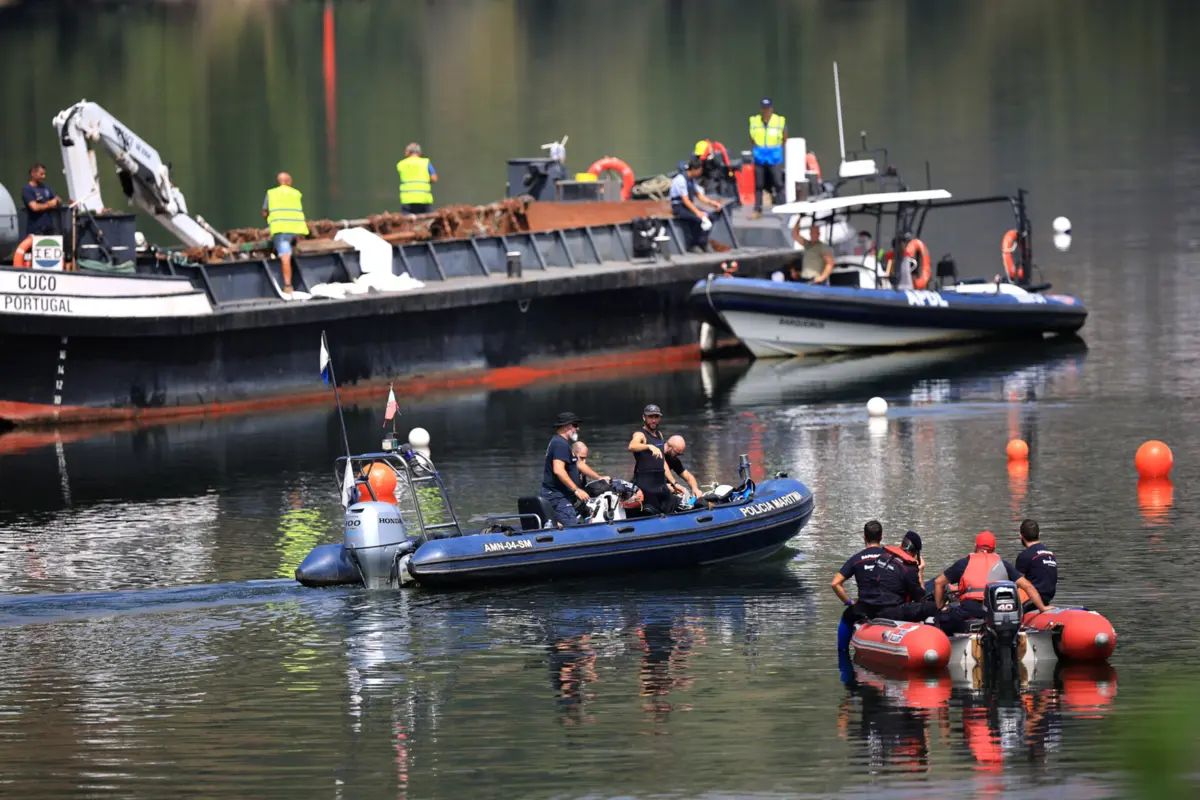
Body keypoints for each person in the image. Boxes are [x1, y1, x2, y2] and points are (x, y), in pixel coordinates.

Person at [832, 521, 931, 650]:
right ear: (881, 537)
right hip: (893, 607)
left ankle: (842, 652)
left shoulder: (856, 558)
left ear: (864, 537)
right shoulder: (891, 557)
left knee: (847, 616)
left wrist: (850, 602)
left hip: (866, 607)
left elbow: (835, 583)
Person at [933, 531, 1048, 635]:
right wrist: (1042, 608)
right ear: (994, 547)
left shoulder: (964, 563)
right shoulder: (1003, 564)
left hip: (971, 609)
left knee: (942, 617)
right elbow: (1028, 586)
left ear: (975, 546)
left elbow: (938, 582)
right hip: (997, 610)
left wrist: (940, 607)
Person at [627, 404, 681, 515]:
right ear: (644, 418)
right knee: (650, 512)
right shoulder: (640, 434)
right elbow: (632, 446)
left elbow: (662, 462)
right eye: (650, 417)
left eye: (656, 417)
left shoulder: (659, 435)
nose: (653, 420)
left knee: (674, 505)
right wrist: (648, 446)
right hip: (646, 484)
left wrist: (674, 483)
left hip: (660, 484)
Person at [262, 172, 309, 295]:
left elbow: (265, 212)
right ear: (289, 181)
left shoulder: (271, 193)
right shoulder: (296, 193)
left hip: (281, 229)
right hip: (297, 229)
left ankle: (288, 285)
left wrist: (269, 218)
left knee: (285, 257)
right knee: (291, 250)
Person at [540, 412, 590, 526]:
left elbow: (578, 464)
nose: (578, 428)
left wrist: (599, 477)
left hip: (556, 495)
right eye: (575, 425)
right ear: (567, 426)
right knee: (572, 529)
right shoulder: (560, 444)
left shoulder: (558, 442)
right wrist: (576, 490)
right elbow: (558, 470)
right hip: (558, 497)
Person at [669, 158, 724, 254]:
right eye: (699, 170)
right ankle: (691, 245)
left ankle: (702, 242)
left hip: (687, 206)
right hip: (679, 207)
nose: (700, 172)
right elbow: (685, 200)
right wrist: (698, 212)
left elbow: (698, 195)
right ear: (693, 169)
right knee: (698, 219)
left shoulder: (691, 180)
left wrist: (711, 203)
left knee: (710, 216)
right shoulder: (680, 180)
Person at [749, 97, 787, 218]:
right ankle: (757, 210)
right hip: (759, 156)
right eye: (763, 109)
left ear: (771, 109)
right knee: (759, 185)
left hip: (774, 156)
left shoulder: (779, 121)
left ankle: (782, 208)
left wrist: (775, 148)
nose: (765, 111)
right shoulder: (755, 121)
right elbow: (751, 138)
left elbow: (784, 137)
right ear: (761, 109)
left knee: (778, 183)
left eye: (767, 109)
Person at [1014, 518, 1057, 610]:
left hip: (1031, 599)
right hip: (1047, 597)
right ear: (1038, 534)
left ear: (1021, 537)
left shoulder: (1025, 556)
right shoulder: (1050, 554)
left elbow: (1017, 583)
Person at [22, 163, 63, 236]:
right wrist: (49, 204)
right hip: (36, 230)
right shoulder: (27, 190)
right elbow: (34, 207)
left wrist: (57, 201)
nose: (44, 176)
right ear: (33, 173)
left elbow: (58, 200)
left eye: (44, 174)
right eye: (41, 174)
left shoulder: (46, 188)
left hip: (49, 229)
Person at [397, 143, 437, 215]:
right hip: (424, 199)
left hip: (407, 200)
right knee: (428, 222)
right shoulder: (425, 163)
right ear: (420, 152)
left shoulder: (401, 164)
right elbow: (434, 178)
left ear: (407, 152)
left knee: (408, 223)